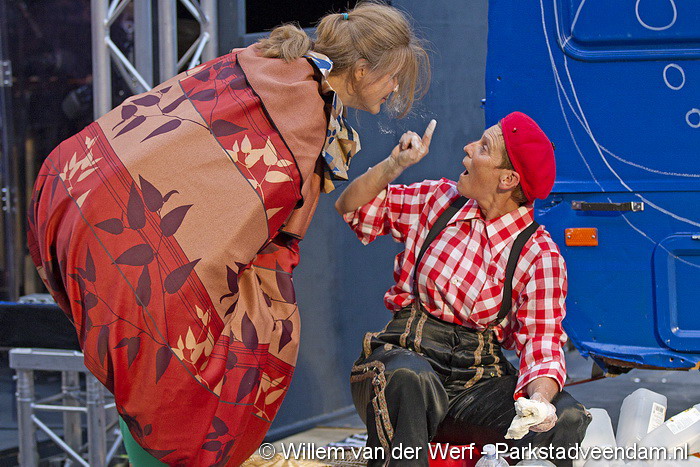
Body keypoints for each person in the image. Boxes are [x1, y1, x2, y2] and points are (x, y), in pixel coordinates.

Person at [26, 2, 430, 465]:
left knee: (146, 369)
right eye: (393, 77)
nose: (394, 88)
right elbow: (259, 223)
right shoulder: (305, 111)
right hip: (133, 239)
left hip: (80, 190)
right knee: (207, 360)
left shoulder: (270, 65)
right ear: (360, 70)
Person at [335, 112, 591, 467]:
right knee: (410, 378)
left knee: (566, 417)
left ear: (508, 179)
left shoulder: (539, 255)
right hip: (403, 364)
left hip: (476, 385)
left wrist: (540, 402)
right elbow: (352, 207)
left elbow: (542, 344)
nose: (468, 148)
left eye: (483, 147)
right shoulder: (439, 200)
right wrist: (394, 164)